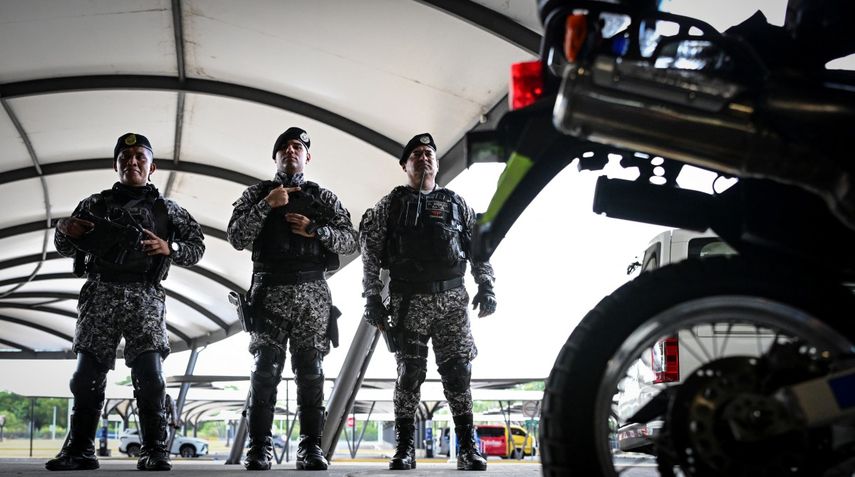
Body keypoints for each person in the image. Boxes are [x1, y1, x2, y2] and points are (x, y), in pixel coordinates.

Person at [46, 133, 205, 471]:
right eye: (125, 157)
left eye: (139, 157)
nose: (132, 162)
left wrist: (169, 248)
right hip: (100, 294)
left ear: (152, 166)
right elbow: (65, 247)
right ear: (115, 164)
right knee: (86, 377)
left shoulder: (168, 210)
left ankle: (155, 450)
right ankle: (80, 451)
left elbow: (196, 247)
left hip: (145, 297)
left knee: (151, 377)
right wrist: (64, 231)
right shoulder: (94, 204)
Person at [359, 133, 497, 471]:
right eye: (417, 154)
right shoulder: (389, 205)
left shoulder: (456, 203)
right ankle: (404, 449)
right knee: (409, 374)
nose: (424, 158)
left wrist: (487, 285)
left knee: (459, 374)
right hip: (409, 301)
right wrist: (372, 297)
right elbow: (370, 252)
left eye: (429, 153)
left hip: (452, 302)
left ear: (436, 162)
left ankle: (468, 448)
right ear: (405, 165)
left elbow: (478, 248)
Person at [227, 127, 357, 471]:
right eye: (284, 147)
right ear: (275, 157)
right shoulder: (257, 193)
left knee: (311, 372)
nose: (291, 151)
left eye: (297, 146)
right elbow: (236, 236)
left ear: (307, 156)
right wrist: (266, 206)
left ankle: (311, 448)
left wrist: (316, 230)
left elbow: (350, 241)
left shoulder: (322, 198)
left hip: (312, 294)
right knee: (264, 371)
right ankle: (258, 448)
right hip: (269, 292)